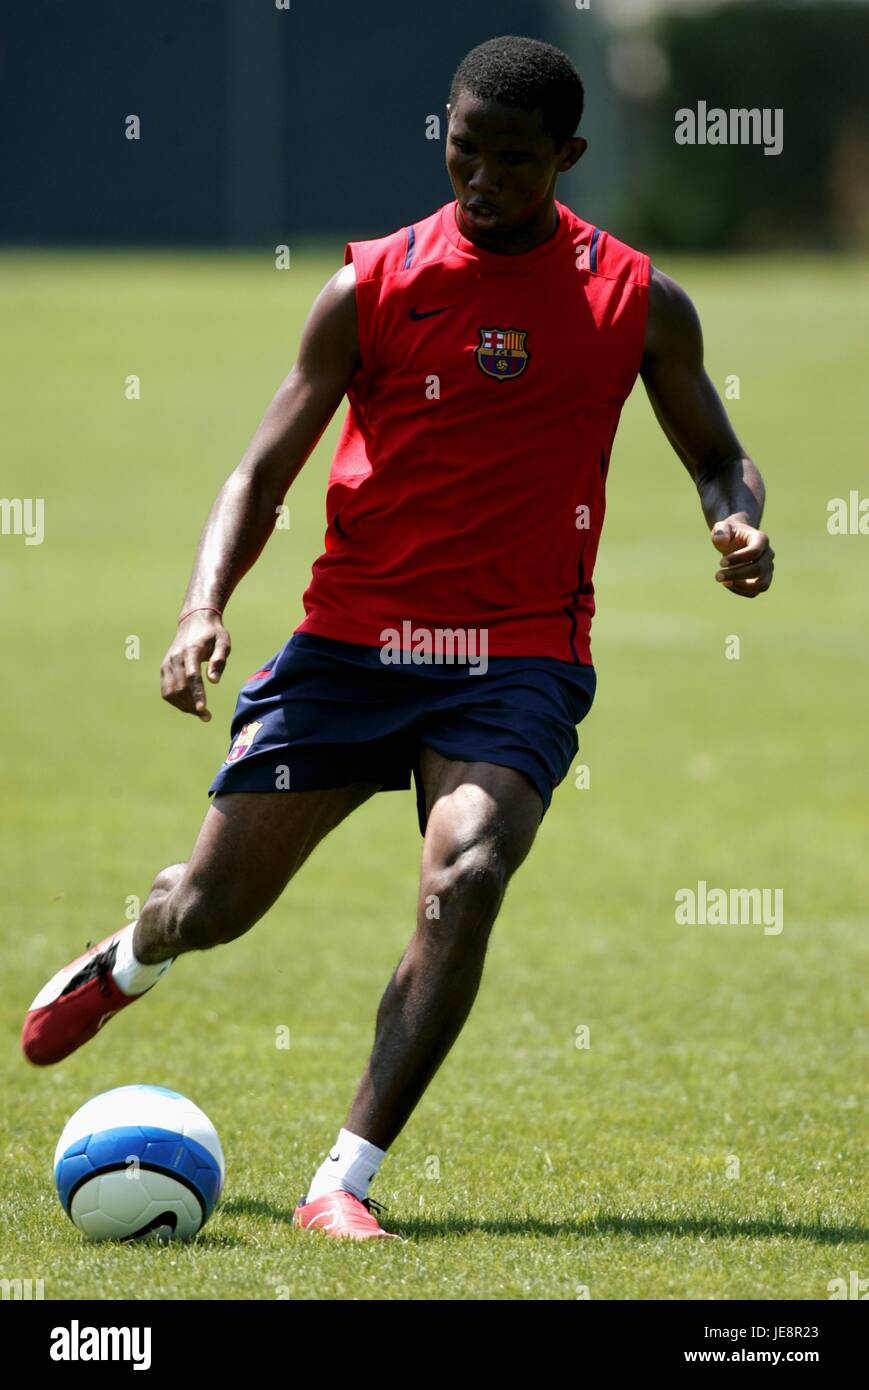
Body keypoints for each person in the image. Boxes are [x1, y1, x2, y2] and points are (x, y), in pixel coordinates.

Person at [21, 35, 774, 1241]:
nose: (478, 179)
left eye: (512, 161)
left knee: (466, 871)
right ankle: (130, 958)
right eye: (461, 148)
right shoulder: (370, 284)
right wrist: (200, 607)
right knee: (212, 906)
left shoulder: (633, 300)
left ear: (567, 158)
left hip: (518, 653)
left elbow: (716, 455)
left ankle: (343, 1178)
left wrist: (735, 523)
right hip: (353, 644)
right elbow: (262, 471)